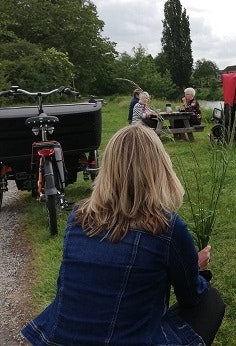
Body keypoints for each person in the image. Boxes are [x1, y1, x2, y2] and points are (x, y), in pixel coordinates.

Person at [21, 124, 225, 346]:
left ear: (108, 168)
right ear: (161, 167)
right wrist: (196, 268)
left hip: (58, 339)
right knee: (210, 301)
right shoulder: (167, 227)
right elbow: (191, 296)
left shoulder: (78, 218)